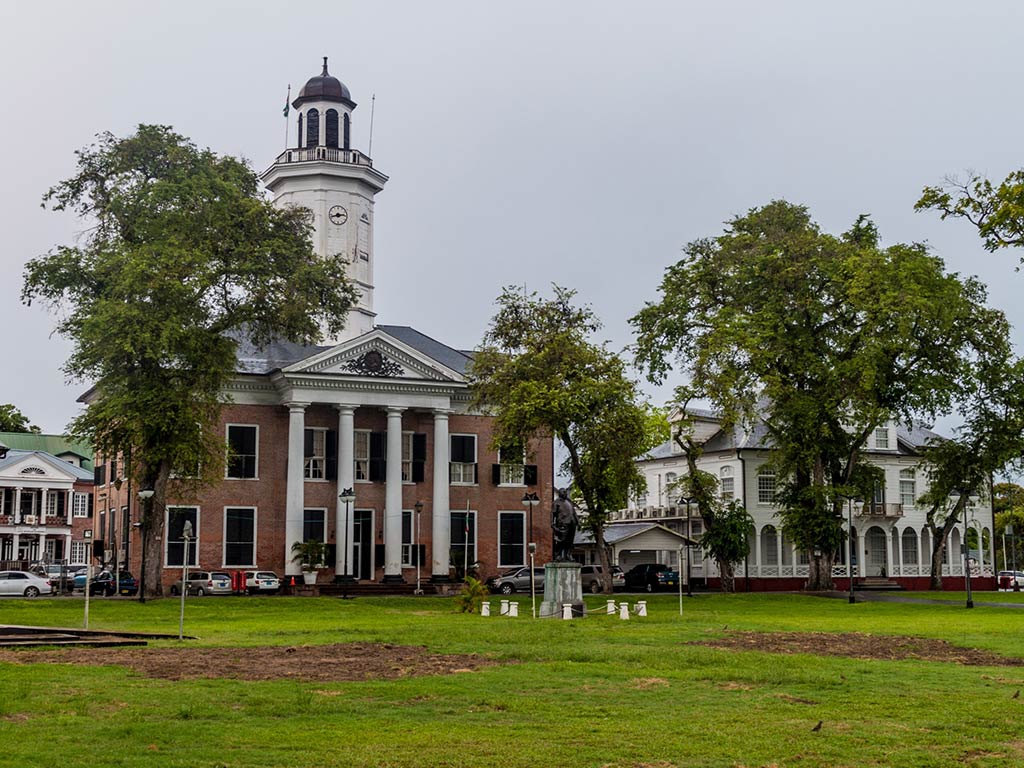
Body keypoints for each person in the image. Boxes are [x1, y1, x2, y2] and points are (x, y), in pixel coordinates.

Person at [551, 488, 579, 562]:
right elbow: (553, 514)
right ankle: (558, 555)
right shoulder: (556, 503)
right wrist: (552, 523)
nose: (565, 493)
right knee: (561, 540)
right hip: (562, 523)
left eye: (565, 492)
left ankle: (568, 555)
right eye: (563, 492)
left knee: (570, 541)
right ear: (560, 493)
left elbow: (574, 513)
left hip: (572, 523)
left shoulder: (569, 502)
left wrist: (578, 521)